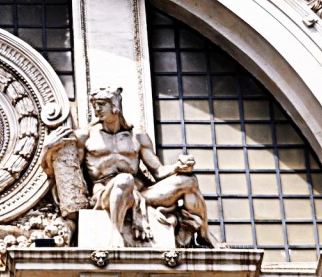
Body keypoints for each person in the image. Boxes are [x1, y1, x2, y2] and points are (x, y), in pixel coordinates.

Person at [41, 87, 213, 247]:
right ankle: (116, 233)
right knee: (124, 179)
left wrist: (178, 166)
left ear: (115, 106)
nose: (97, 110)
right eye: (95, 106)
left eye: (101, 105)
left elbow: (159, 172)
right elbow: (58, 173)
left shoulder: (137, 136)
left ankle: (205, 234)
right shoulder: (85, 136)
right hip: (104, 195)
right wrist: (47, 149)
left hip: (140, 192)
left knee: (188, 181)